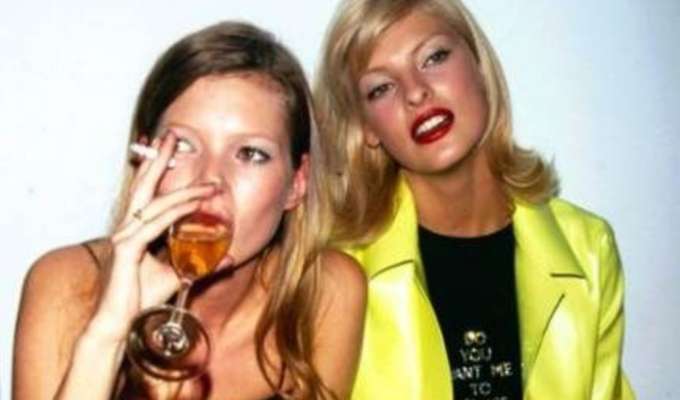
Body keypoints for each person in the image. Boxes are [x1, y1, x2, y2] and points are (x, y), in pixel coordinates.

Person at [13, 21, 366, 400]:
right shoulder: (67, 285)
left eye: (250, 153)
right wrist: (107, 334)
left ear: (297, 183)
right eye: (183, 145)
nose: (210, 180)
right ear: (144, 163)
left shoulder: (326, 291)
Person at [314, 0, 634, 399]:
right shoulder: (332, 274)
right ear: (365, 127)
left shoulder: (588, 247)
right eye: (381, 87)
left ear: (480, 66)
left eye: (434, 57)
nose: (416, 92)